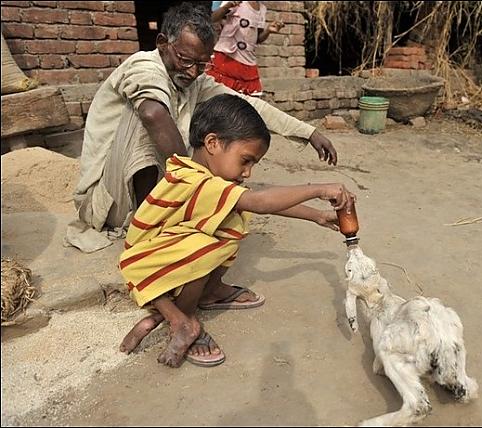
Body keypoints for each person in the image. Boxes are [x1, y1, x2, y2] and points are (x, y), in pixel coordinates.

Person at [66, 2, 337, 255]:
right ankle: (148, 228)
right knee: (149, 115)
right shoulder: (144, 66)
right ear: (163, 44)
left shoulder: (194, 81)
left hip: (163, 188)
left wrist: (308, 132)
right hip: (109, 202)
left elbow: (249, 104)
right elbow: (151, 113)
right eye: (185, 59)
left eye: (202, 63)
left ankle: (170, 210)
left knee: (220, 156)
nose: (193, 71)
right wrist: (194, 179)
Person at [118, 93, 355, 368]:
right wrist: (319, 189)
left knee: (232, 220)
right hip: (143, 262)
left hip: (161, 259)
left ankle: (199, 296)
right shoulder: (193, 179)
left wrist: (316, 216)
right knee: (205, 244)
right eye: (246, 160)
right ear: (213, 143)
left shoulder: (206, 176)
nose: (248, 172)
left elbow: (254, 199)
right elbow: (260, 202)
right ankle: (182, 319)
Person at [207, 1, 282, 95]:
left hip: (247, 62)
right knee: (219, 98)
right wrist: (228, 6)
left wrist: (268, 31)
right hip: (226, 59)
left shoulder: (262, 9)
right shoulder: (237, 2)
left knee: (247, 104)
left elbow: (256, 39)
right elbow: (212, 18)